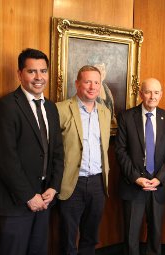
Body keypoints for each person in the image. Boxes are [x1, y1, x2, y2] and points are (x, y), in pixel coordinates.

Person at [0, 48, 64, 255]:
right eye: (32, 71)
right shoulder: (5, 106)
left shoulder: (50, 107)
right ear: (20, 74)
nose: (39, 77)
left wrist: (54, 187)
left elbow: (57, 151)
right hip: (16, 203)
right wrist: (29, 196)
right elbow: (5, 159)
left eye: (43, 71)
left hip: (45, 199)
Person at [115, 78, 165, 255]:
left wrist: (159, 178)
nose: (152, 96)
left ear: (161, 94)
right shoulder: (126, 117)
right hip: (133, 185)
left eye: (156, 92)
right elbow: (120, 151)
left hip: (158, 186)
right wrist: (136, 178)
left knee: (156, 234)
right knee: (131, 235)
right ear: (141, 94)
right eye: (148, 92)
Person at [56, 65, 111, 255]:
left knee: (91, 236)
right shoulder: (60, 109)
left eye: (96, 82)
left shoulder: (105, 112)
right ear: (77, 83)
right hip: (71, 182)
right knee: (68, 236)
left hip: (97, 183)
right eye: (87, 81)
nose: (92, 86)